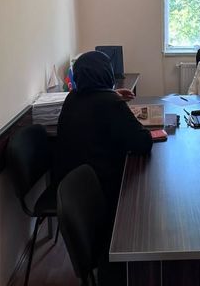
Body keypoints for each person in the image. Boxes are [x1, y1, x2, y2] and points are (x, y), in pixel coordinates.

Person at [56, 51, 152, 230]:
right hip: (102, 185)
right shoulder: (111, 103)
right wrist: (114, 98)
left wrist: (112, 93)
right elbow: (142, 143)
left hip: (73, 184)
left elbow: (93, 101)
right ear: (107, 74)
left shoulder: (72, 97)